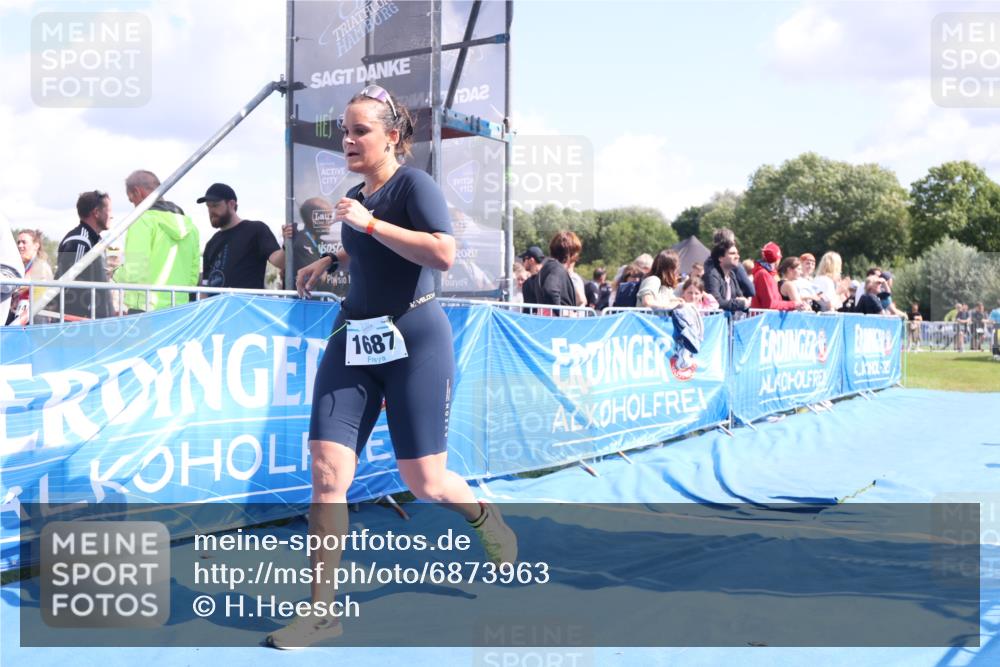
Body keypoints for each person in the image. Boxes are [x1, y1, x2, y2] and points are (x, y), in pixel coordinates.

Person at [268, 84, 515, 649]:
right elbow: (366, 249)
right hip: (353, 336)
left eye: (360, 132)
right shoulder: (357, 194)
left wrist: (371, 224)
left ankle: (484, 518)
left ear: (393, 137)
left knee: (423, 481)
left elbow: (443, 252)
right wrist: (333, 256)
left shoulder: (414, 184)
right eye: (345, 133)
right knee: (328, 474)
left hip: (416, 339)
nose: (348, 142)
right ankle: (321, 611)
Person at [116, 170, 200, 312]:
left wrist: (115, 273)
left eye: (131, 200)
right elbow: (193, 278)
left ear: (137, 192)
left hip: (145, 310)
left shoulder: (142, 221)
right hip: (179, 309)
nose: (134, 205)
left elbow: (134, 273)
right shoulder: (191, 227)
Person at [199, 182, 287, 291]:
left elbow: (279, 262)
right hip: (217, 307)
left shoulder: (256, 229)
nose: (211, 211)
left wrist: (286, 244)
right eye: (208, 206)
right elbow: (205, 286)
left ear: (231, 204)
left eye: (215, 205)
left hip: (246, 306)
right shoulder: (211, 243)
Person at [56, 191, 115, 319]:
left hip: (94, 323)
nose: (112, 216)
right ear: (96, 212)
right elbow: (69, 287)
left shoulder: (97, 241)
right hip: (80, 324)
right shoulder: (79, 241)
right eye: (109, 211)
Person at [11, 230, 54, 319]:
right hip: (25, 315)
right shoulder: (25, 266)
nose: (20, 246)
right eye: (18, 242)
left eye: (24, 242)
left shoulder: (40, 265)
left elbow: (19, 287)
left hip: (37, 317)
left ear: (36, 246)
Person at [703, 239, 750, 316]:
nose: (737, 256)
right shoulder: (712, 275)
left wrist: (744, 302)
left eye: (737, 253)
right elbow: (717, 302)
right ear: (720, 258)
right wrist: (741, 304)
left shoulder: (732, 275)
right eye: (732, 253)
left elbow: (741, 297)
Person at [537, 230, 581, 312]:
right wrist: (562, 312)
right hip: (559, 322)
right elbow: (550, 290)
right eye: (576, 252)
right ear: (570, 252)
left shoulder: (547, 267)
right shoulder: (557, 268)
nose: (577, 256)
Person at [750, 242, 800, 311]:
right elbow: (770, 304)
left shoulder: (766, 273)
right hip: (765, 320)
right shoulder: (763, 274)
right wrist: (794, 304)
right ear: (777, 259)